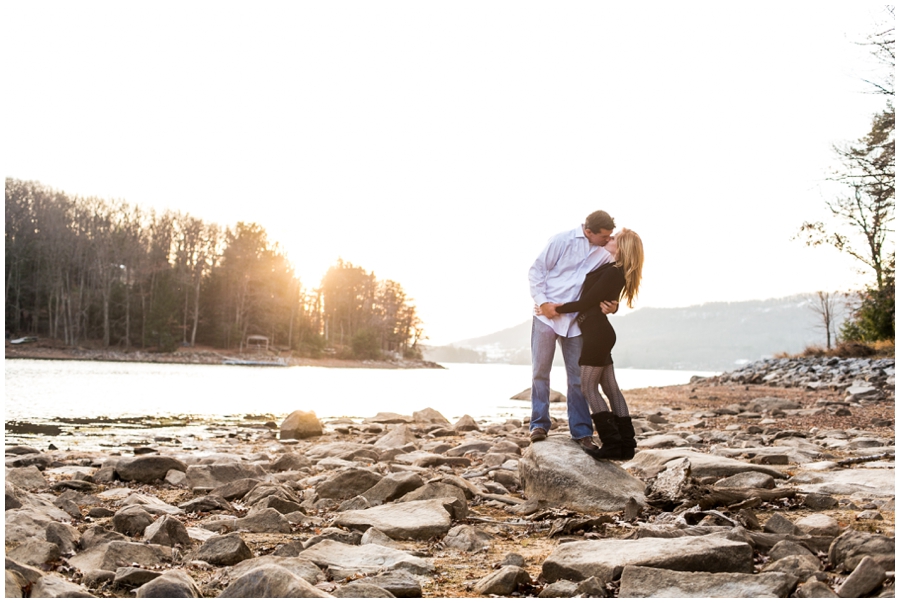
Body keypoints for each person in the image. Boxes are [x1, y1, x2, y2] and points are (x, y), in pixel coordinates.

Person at [545, 228, 644, 460]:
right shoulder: (615, 270)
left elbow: (587, 301)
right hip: (600, 332)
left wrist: (556, 308)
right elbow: (599, 297)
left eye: (614, 238)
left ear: (622, 248)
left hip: (597, 334)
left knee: (589, 388)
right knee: (610, 388)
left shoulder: (614, 272)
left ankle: (611, 443)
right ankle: (626, 446)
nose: (609, 239)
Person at [527, 210, 618, 450]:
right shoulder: (562, 240)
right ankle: (538, 424)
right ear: (589, 231)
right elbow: (536, 271)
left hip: (577, 321)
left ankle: (581, 432)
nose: (609, 239)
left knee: (578, 378)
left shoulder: (605, 254)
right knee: (540, 372)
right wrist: (543, 303)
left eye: (611, 236)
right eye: (605, 236)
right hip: (547, 318)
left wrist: (613, 305)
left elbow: (610, 284)